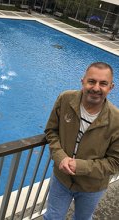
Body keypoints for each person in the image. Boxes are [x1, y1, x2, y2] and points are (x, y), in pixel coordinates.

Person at [43, 62, 119, 220]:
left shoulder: (116, 120)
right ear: (83, 81)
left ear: (111, 87)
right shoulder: (65, 99)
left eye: (103, 83)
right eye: (91, 81)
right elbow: (51, 131)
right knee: (52, 217)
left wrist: (81, 166)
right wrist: (60, 157)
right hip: (61, 179)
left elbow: (115, 162)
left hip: (92, 186)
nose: (96, 88)